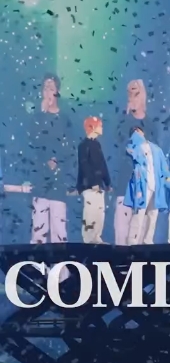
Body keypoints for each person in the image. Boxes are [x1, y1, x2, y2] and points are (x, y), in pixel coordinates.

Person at [29, 74, 75, 244]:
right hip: (40, 181)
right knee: (38, 233)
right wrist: (42, 114)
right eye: (45, 88)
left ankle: (60, 262)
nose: (48, 92)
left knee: (59, 234)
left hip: (58, 182)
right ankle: (36, 262)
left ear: (57, 92)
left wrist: (57, 161)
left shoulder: (65, 119)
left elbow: (70, 148)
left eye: (51, 88)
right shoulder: (36, 118)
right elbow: (33, 143)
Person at [114, 80, 159, 245]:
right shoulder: (122, 122)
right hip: (125, 184)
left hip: (143, 186)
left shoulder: (151, 125)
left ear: (143, 95)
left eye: (136, 93)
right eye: (129, 93)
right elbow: (118, 143)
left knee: (139, 235)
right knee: (122, 232)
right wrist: (126, 118)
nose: (132, 97)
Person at [124, 127, 170, 246]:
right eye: (134, 132)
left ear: (143, 132)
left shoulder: (156, 149)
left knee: (153, 215)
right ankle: (132, 241)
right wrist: (135, 139)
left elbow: (164, 169)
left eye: (138, 130)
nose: (137, 133)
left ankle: (148, 240)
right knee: (139, 213)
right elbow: (131, 152)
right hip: (142, 185)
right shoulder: (133, 147)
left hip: (156, 186)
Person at [76, 117, 111, 244]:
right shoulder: (83, 145)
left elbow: (102, 164)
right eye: (99, 125)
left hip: (99, 185)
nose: (102, 128)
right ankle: (89, 238)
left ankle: (96, 237)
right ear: (92, 127)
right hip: (89, 186)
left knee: (99, 212)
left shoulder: (97, 144)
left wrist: (107, 182)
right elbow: (84, 165)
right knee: (90, 212)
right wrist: (92, 183)